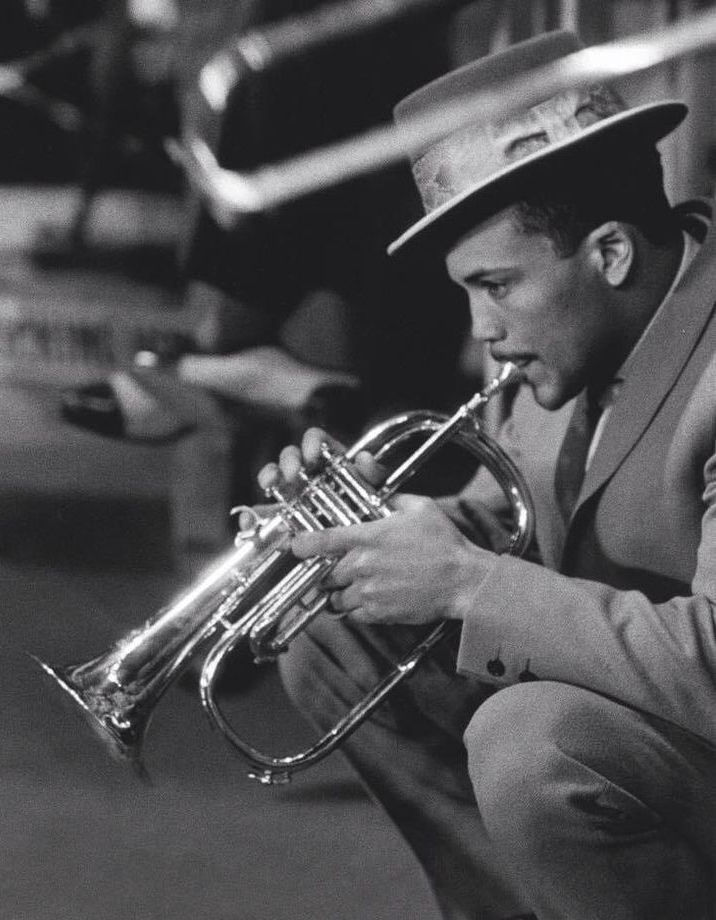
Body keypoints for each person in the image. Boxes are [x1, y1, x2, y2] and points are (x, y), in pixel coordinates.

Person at [257, 30, 716, 920]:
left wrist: (469, 583)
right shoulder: (568, 337)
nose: (480, 328)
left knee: (531, 740)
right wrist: (360, 534)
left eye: (496, 285)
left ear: (610, 254)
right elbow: (500, 514)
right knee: (329, 632)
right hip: (629, 723)